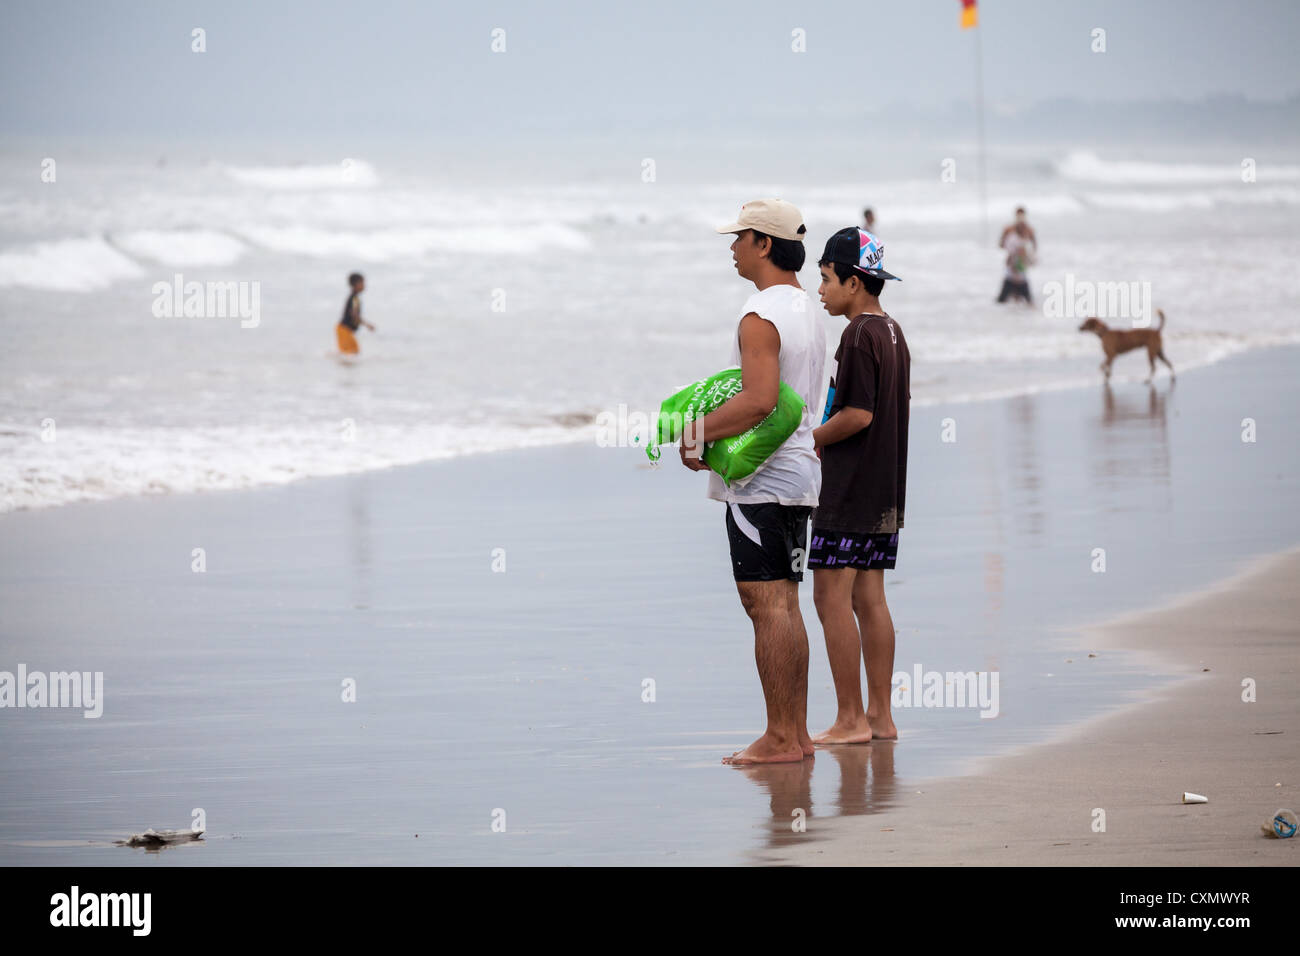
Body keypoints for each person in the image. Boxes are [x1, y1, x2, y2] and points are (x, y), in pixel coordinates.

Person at [679, 198, 826, 765]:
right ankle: (797, 733)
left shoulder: (760, 314)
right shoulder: (809, 309)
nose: (732, 247)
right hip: (798, 476)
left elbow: (761, 400)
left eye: (739, 237)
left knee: (764, 603)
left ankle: (782, 737)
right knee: (785, 603)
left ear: (764, 244)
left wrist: (695, 434)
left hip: (762, 482)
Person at [809, 226, 909, 743]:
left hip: (849, 491)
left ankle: (849, 720)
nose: (820, 290)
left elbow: (858, 414)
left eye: (825, 279)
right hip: (886, 490)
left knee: (829, 595)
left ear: (853, 282)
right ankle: (880, 718)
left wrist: (812, 439)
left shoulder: (857, 335)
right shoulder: (893, 333)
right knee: (870, 598)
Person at [996, 221, 1035, 305]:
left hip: (1017, 276)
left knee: (1002, 302)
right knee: (1028, 302)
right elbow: (1010, 256)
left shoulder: (1021, 239)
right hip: (1015, 276)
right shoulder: (1015, 239)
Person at [337, 272, 376, 353]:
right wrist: (367, 325)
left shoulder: (355, 298)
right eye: (362, 283)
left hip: (347, 330)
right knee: (350, 353)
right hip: (344, 329)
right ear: (355, 284)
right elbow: (354, 314)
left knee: (354, 352)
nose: (364, 285)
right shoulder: (355, 299)